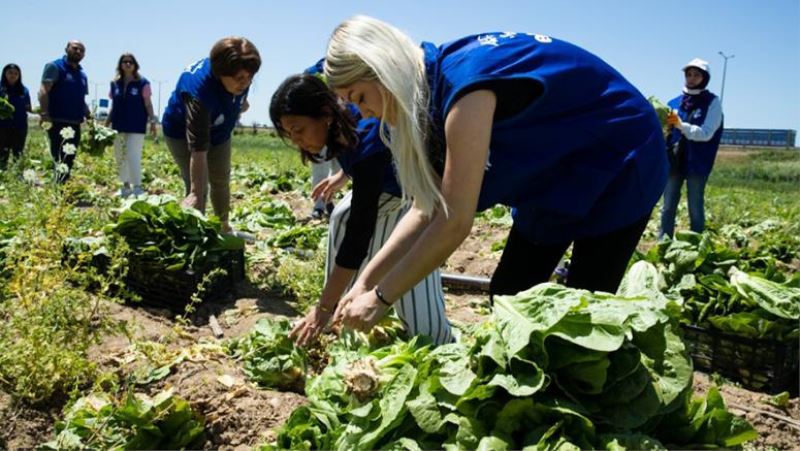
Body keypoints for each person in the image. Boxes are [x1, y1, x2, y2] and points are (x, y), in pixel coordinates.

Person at [322, 16, 668, 332]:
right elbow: (425, 207)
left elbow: (454, 221)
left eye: (362, 97)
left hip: (619, 158)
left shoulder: (465, 89)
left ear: (384, 68)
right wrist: (365, 283)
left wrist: (381, 298)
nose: (366, 114)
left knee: (585, 318)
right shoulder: (427, 96)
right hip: (551, 176)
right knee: (510, 294)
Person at [271, 74, 453, 346]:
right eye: (289, 134)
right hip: (387, 187)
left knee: (429, 335)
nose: (297, 141)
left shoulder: (368, 137)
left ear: (324, 114)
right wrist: (344, 174)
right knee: (342, 216)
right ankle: (342, 311)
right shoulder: (341, 115)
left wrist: (322, 308)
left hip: (420, 196)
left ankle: (333, 309)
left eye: (299, 130)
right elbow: (362, 168)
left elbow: (359, 235)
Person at [161, 37, 261, 231]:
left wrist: (239, 104)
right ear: (220, 73)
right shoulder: (199, 93)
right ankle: (197, 233)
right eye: (240, 79)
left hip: (220, 130)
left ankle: (223, 226)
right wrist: (196, 193)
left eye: (250, 77)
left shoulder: (240, 72)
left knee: (221, 179)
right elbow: (198, 150)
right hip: (181, 132)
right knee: (197, 186)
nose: (246, 83)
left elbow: (241, 95)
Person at [659, 58, 723, 238]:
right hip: (674, 159)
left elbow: (706, 133)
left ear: (705, 78)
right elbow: (666, 133)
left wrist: (681, 125)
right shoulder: (674, 102)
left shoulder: (712, 102)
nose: (692, 78)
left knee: (695, 204)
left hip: (698, 161)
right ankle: (663, 242)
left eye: (696, 75)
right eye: (689, 74)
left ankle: (696, 243)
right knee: (668, 204)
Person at [105, 53, 158, 197]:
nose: (127, 64)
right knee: (120, 156)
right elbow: (113, 106)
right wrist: (106, 123)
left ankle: (138, 187)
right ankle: (125, 187)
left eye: (130, 62)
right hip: (118, 126)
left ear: (135, 65)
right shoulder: (114, 84)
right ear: (120, 65)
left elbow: (148, 104)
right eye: (124, 62)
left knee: (133, 155)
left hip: (136, 126)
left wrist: (152, 121)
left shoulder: (143, 83)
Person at [39, 40, 90, 183]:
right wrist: (44, 114)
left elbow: (81, 100)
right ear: (66, 49)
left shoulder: (82, 75)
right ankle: (59, 188)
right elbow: (43, 90)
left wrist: (89, 116)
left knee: (69, 156)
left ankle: (62, 186)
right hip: (56, 120)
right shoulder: (55, 67)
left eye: (81, 50)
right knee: (59, 156)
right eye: (75, 48)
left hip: (74, 122)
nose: (78, 52)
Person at [0, 64, 32, 169]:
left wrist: (41, 110)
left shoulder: (24, 90)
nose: (13, 75)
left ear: (19, 75)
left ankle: (17, 177)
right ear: (5, 74)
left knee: (18, 154)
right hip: (2, 127)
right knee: (2, 154)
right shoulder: (1, 89)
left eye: (16, 73)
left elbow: (28, 107)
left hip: (20, 126)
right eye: (10, 73)